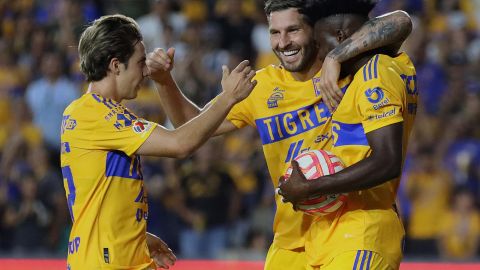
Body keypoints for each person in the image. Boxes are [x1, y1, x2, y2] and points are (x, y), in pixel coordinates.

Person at [146, 1, 412, 269]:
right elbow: (190, 124)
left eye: (293, 30)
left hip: (351, 225)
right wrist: (164, 81)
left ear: (315, 31)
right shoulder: (262, 87)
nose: (283, 42)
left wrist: (335, 57)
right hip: (290, 240)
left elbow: (400, 22)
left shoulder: (352, 70)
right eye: (275, 32)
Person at [61, 14, 256, 269]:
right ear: (116, 65)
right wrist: (227, 97)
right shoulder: (94, 114)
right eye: (140, 62)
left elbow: (103, 196)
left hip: (121, 257)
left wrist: (137, 236)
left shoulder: (96, 113)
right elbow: (180, 144)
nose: (145, 71)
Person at [277, 0, 418, 269]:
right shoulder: (374, 69)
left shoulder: (375, 74)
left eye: (319, 45)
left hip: (365, 229)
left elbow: (387, 160)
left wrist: (312, 187)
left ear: (341, 37)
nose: (318, 56)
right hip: (347, 232)